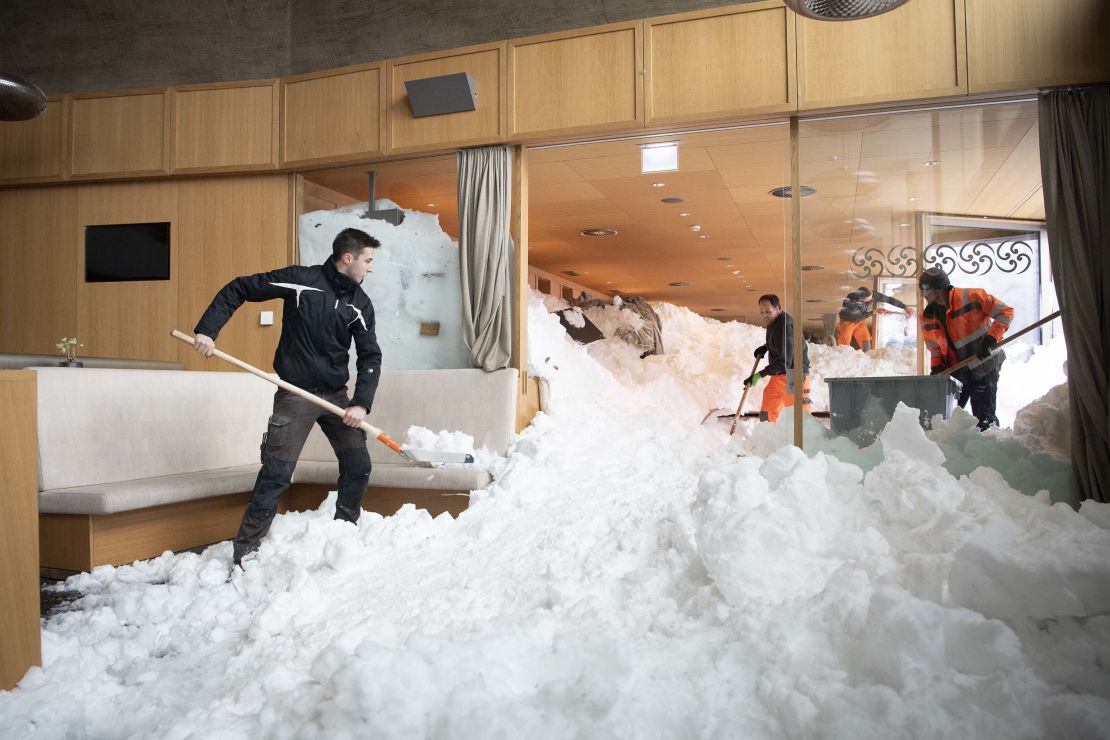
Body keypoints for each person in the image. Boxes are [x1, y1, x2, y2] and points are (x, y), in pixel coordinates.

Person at [191, 228, 383, 567]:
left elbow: (370, 357)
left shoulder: (360, 304)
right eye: (367, 261)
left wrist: (360, 403)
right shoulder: (300, 280)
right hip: (296, 394)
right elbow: (240, 288)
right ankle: (246, 552)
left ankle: (344, 536)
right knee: (277, 471)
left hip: (337, 397)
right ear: (348, 257)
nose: (370, 268)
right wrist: (208, 330)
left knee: (358, 464)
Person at [918, 267, 1013, 430]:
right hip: (956, 368)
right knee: (946, 416)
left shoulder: (972, 297)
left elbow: (1005, 312)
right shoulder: (927, 317)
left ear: (938, 289)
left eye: (924, 290)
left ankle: (990, 447)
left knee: (984, 417)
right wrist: (937, 366)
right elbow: (934, 347)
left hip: (984, 363)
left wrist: (991, 338)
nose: (922, 295)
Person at [745, 294, 812, 422]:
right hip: (780, 374)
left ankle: (807, 437)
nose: (765, 315)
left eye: (768, 312)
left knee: (797, 411)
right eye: (762, 312)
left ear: (778, 308)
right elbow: (781, 343)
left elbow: (783, 362)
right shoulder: (774, 320)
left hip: (794, 373)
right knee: (769, 405)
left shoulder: (784, 327)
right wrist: (766, 347)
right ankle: (768, 430)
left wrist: (759, 375)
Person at [835, 286, 915, 352]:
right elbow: (856, 317)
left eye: (871, 297)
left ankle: (867, 358)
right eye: (869, 299)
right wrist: (874, 312)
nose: (871, 299)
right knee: (843, 346)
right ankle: (843, 363)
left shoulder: (872, 296)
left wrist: (905, 307)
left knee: (865, 341)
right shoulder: (851, 300)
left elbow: (889, 299)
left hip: (860, 320)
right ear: (861, 299)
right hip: (848, 321)